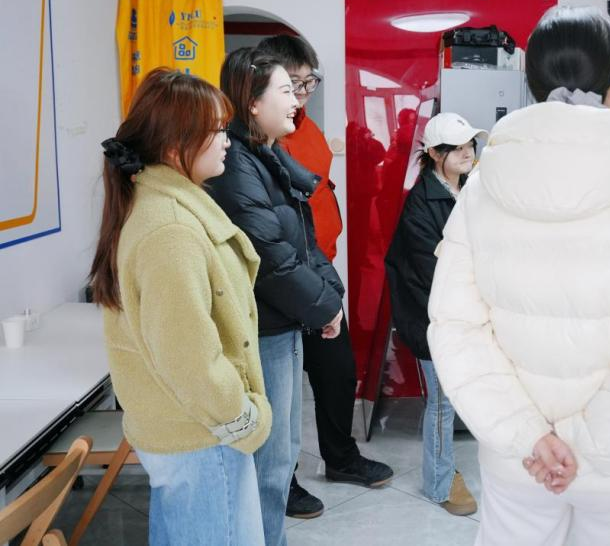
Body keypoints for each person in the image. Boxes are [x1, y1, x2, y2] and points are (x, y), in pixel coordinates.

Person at [425, 5, 610, 546]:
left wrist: (529, 436)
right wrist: (590, 441)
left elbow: (456, 329)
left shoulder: (482, 187)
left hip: (523, 464)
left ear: (532, 85)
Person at [89, 68, 271, 545]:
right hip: (202, 435)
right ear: (176, 145)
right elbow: (189, 356)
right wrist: (242, 418)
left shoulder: (157, 207)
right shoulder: (170, 228)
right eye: (216, 129)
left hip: (186, 431)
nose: (227, 140)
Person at [207, 48, 344, 546]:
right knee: (269, 462)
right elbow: (271, 258)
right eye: (286, 90)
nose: (297, 101)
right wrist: (325, 305)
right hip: (263, 329)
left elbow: (302, 240)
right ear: (253, 103)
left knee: (282, 453)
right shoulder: (237, 166)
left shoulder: (266, 154)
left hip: (284, 322)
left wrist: (330, 297)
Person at [257, 35, 394, 520]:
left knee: (336, 372)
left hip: (317, 269)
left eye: (308, 82)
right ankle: (283, 480)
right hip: (283, 280)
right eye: (292, 84)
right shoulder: (260, 141)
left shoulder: (307, 129)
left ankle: (340, 458)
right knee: (282, 393)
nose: (302, 94)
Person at [385, 113, 487, 516]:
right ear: (433, 154)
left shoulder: (470, 190)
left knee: (458, 398)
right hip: (435, 319)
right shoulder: (420, 206)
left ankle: (444, 473)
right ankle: (439, 483)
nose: (467, 152)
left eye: (470, 145)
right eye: (456, 148)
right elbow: (437, 274)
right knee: (442, 403)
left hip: (464, 314)